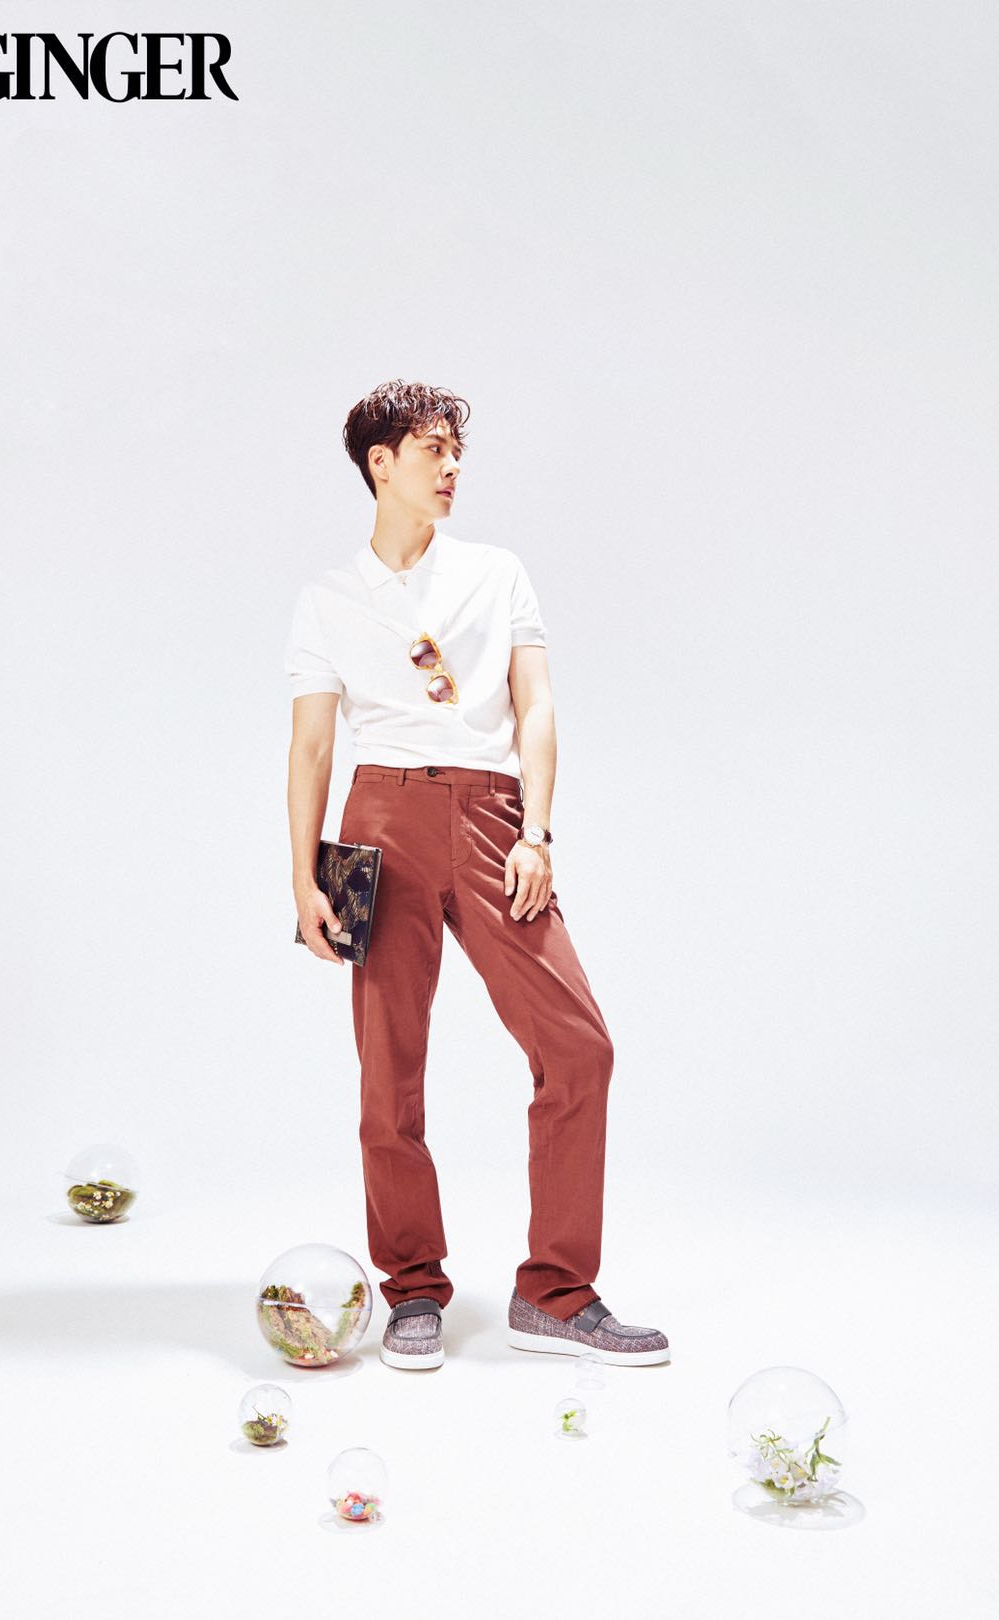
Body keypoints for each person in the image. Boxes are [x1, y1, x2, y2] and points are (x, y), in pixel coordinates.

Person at [285, 379, 669, 1372]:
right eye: (432, 449)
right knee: (388, 1071)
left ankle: (556, 1293)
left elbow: (535, 707)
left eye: (457, 450)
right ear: (381, 463)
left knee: (578, 1048)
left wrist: (537, 832)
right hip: (377, 823)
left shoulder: (498, 574)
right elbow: (313, 748)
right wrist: (303, 877)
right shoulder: (327, 599)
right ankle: (412, 1287)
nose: (452, 467)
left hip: (494, 816)